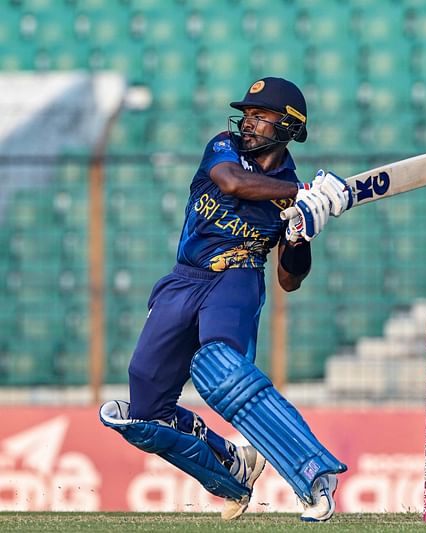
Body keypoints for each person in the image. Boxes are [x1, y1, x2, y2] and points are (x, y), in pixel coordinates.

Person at [99, 77, 353, 522]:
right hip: (184, 278)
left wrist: (300, 232)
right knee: (143, 414)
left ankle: (313, 475)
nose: (248, 123)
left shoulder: (291, 190)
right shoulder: (225, 149)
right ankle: (231, 466)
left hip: (236, 281)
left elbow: (290, 280)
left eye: (260, 117)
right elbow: (232, 184)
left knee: (220, 368)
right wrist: (303, 194)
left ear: (289, 127)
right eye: (247, 115)